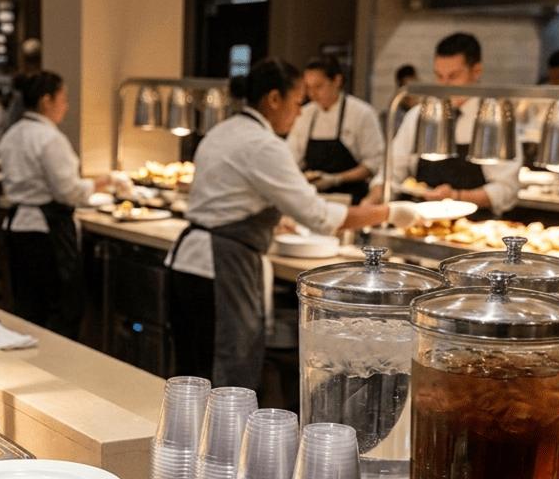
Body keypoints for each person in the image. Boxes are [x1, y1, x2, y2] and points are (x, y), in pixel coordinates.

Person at [168, 58, 419, 387]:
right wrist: (391, 212)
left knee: (192, 379)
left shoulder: (224, 130)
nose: (300, 113)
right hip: (220, 268)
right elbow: (320, 216)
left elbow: (229, 202)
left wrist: (272, 221)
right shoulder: (263, 144)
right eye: (298, 102)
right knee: (226, 380)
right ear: (274, 99)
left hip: (187, 263)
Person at [0, 71, 108, 339]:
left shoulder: (12, 134)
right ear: (46, 101)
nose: (66, 106)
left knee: (27, 308)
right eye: (63, 99)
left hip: (17, 226)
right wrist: (99, 184)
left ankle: (28, 360)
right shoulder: (49, 138)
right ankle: (57, 361)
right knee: (61, 310)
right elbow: (67, 191)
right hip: (46, 232)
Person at [366, 32, 519, 216]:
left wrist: (455, 196)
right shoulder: (418, 116)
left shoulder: (494, 120)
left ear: (476, 71)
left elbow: (506, 189)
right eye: (439, 76)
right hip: (419, 221)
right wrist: (371, 202)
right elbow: (391, 173)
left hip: (475, 225)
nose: (444, 85)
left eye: (453, 76)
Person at [286, 56, 384, 203]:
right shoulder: (304, 114)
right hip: (313, 199)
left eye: (318, 86)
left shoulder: (362, 113)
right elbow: (292, 157)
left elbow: (373, 164)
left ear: (337, 81)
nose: (312, 94)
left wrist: (336, 179)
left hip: (351, 200)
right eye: (308, 87)